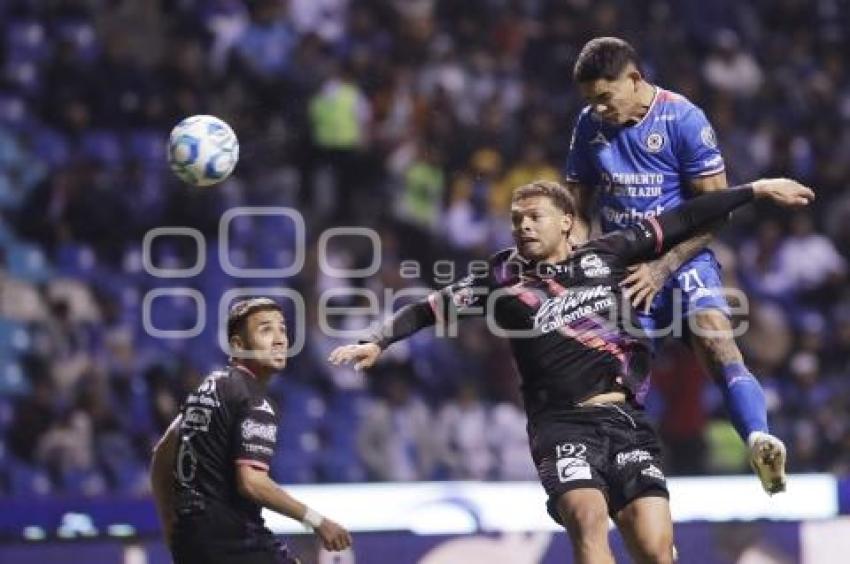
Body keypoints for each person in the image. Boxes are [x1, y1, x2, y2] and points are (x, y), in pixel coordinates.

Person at [329, 179, 813, 564]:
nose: (522, 227)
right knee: (587, 516)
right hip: (560, 423)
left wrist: (756, 189)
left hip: (626, 420)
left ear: (566, 221)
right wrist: (378, 339)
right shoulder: (501, 285)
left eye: (533, 217)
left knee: (653, 546)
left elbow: (685, 217)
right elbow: (429, 307)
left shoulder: (609, 255)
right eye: (516, 220)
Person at [565, 36, 787, 494]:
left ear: (634, 79)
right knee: (620, 378)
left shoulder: (683, 119)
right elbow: (578, 207)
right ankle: (626, 478)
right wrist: (580, 262)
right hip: (625, 266)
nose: (599, 109)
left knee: (716, 339)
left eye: (605, 97)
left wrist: (665, 266)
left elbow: (717, 210)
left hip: (682, 256)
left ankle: (758, 438)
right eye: (590, 101)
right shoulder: (589, 125)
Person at [150, 298, 352, 564]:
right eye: (266, 330)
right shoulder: (253, 400)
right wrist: (318, 521)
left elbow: (161, 455)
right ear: (238, 345)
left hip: (193, 546)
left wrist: (172, 529)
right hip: (238, 545)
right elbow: (251, 482)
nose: (280, 340)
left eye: (282, 329)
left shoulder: (207, 388)